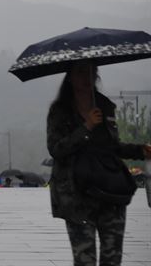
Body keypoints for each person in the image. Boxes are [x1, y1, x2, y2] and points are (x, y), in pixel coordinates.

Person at [47, 61, 151, 265]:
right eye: (81, 72)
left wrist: (140, 150)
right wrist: (86, 127)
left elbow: (112, 147)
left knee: (112, 257)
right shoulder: (60, 111)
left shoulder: (104, 106)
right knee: (84, 259)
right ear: (70, 77)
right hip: (77, 195)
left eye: (91, 72)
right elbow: (56, 149)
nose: (87, 77)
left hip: (109, 191)